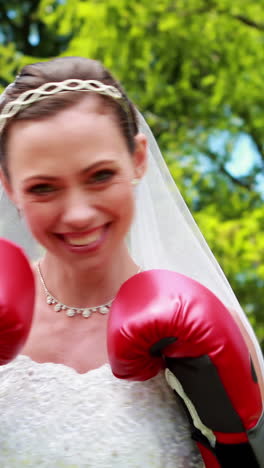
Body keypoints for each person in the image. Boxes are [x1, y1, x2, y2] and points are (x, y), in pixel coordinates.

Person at [0, 56, 263, 467]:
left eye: (100, 175)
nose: (79, 213)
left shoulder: (202, 329)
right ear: (8, 185)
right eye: (44, 187)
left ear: (138, 158)